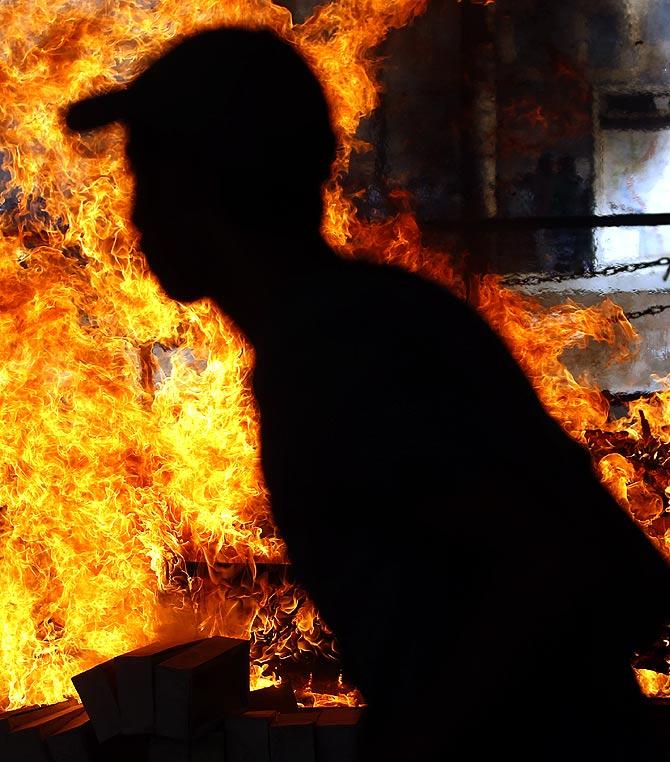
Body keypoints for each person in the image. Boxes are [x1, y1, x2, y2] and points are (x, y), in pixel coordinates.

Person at [66, 27, 670, 761]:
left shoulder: (344, 352)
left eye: (147, 178)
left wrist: (416, 738)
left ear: (208, 183)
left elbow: (566, 561)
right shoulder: (356, 324)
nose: (134, 216)